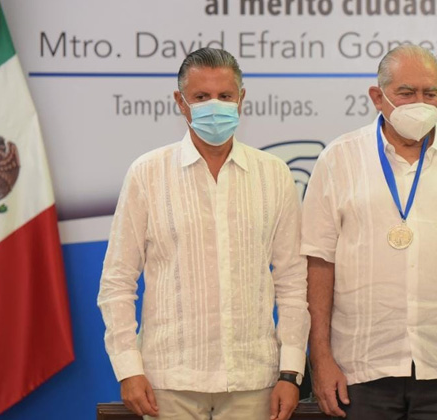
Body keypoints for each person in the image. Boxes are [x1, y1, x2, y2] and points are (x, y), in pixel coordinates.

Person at [97, 47, 310, 420]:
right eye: (201, 96)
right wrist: (129, 369)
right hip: (169, 382)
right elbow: (117, 281)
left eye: (225, 96)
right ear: (181, 102)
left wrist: (290, 373)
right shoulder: (147, 174)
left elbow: (292, 281)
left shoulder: (274, 174)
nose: (215, 106)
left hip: (253, 380)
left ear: (241, 99)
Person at [301, 44, 437, 419]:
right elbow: (319, 264)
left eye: (430, 94)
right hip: (359, 369)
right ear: (377, 97)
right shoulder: (339, 158)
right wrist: (321, 357)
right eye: (406, 93)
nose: (419, 104)